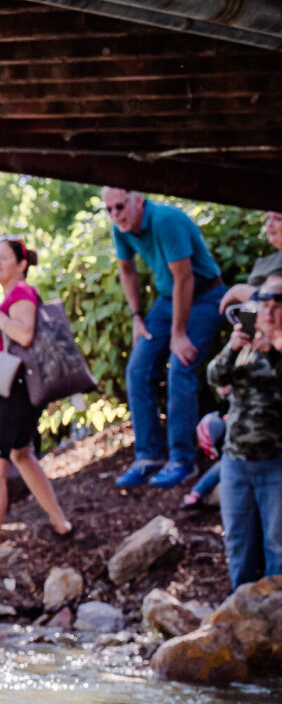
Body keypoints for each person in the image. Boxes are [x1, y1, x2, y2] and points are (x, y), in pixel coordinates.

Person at [0, 236, 72, 572]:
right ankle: (60, 522)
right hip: (8, 388)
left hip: (6, 388)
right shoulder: (4, 301)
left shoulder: (21, 294)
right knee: (21, 454)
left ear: (21, 263)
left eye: (4, 258)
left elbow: (23, 334)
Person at [103, 187, 228, 489]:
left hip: (205, 295)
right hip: (167, 299)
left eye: (120, 206)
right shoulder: (121, 228)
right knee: (137, 369)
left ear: (138, 201)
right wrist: (136, 317)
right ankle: (148, 457)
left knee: (181, 366)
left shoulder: (165, 221)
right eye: (108, 209)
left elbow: (185, 277)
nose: (115, 214)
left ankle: (182, 461)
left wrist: (179, 333)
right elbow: (126, 269)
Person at [204, 282, 282, 588]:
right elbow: (215, 376)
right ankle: (241, 609)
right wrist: (232, 347)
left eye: (277, 306)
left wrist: (275, 348)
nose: (270, 312)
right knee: (238, 541)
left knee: (277, 544)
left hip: (275, 461)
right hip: (236, 460)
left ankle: (276, 616)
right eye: (265, 305)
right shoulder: (244, 344)